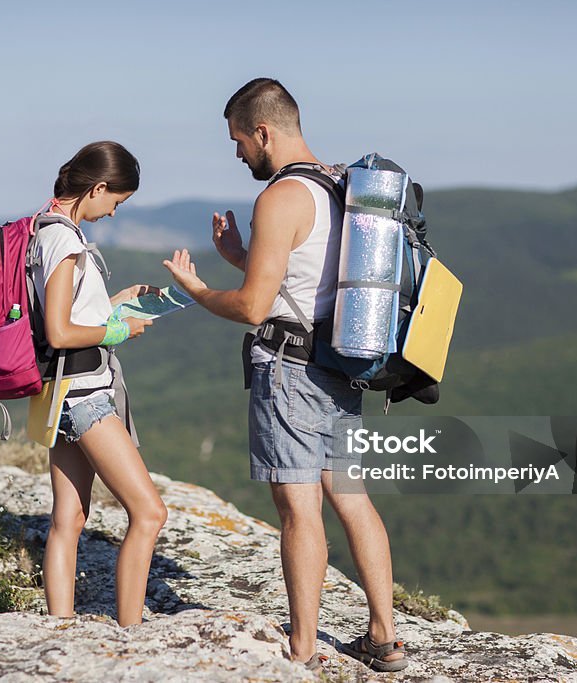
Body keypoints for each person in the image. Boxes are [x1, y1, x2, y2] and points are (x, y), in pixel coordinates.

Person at [163, 79, 407, 672]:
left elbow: (252, 307)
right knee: (352, 499)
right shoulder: (339, 184)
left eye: (239, 140)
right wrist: (243, 257)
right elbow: (310, 279)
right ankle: (384, 634)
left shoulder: (278, 198)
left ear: (263, 132)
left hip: (290, 373)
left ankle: (301, 649)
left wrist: (197, 289)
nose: (238, 153)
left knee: (299, 510)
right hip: (340, 362)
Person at [33, 141, 168, 627]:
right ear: (98, 188)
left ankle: (62, 627)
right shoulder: (66, 242)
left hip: (58, 393)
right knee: (149, 513)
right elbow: (61, 332)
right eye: (116, 202)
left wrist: (117, 303)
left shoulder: (42, 229)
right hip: (85, 396)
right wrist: (118, 330)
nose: (112, 213)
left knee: (68, 518)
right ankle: (130, 631)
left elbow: (67, 316)